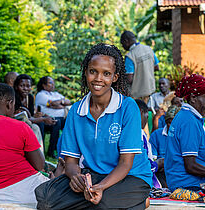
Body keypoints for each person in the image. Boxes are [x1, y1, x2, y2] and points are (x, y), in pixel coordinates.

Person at [35, 43, 152, 209]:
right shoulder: (76, 111)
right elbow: (71, 162)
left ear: (115, 77)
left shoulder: (127, 107)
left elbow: (126, 163)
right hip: (94, 175)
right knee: (45, 199)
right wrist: (76, 177)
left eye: (106, 74)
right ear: (86, 72)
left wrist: (101, 188)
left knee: (103, 203)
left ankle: (135, 199)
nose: (98, 79)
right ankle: (133, 203)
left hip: (131, 176)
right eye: (93, 71)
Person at [13, 74, 57, 156]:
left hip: (28, 122)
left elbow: (30, 115)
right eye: (22, 86)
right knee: (38, 124)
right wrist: (43, 119)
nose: (25, 88)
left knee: (48, 123)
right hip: (17, 124)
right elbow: (23, 118)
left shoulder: (29, 97)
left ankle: (44, 152)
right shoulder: (14, 97)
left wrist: (38, 115)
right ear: (16, 87)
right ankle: (37, 154)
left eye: (28, 86)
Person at [35, 76, 71, 157]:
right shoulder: (41, 95)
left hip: (62, 118)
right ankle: (51, 151)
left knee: (72, 123)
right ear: (44, 85)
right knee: (57, 122)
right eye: (50, 82)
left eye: (53, 82)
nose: (53, 84)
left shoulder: (56, 94)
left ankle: (68, 150)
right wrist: (61, 103)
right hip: (46, 120)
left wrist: (60, 102)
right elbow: (53, 104)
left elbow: (68, 101)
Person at [120, 31, 159, 102]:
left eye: (122, 44)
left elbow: (129, 79)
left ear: (126, 41)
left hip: (137, 95)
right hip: (150, 91)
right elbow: (156, 67)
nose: (123, 47)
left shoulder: (130, 56)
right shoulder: (149, 49)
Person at [136, 99, 163, 188]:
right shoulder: (137, 134)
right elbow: (145, 166)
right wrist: (158, 163)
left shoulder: (141, 133)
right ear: (141, 112)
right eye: (146, 116)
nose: (146, 120)